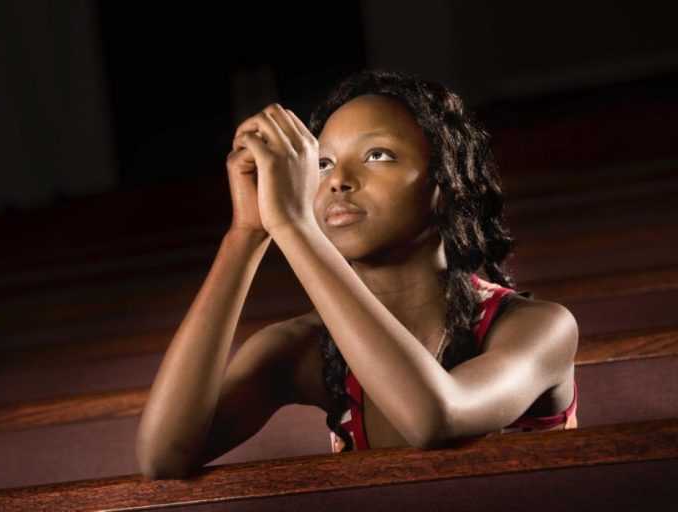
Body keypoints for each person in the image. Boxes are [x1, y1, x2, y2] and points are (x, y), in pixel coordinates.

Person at [134, 68, 579, 479]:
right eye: (322, 164)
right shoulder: (304, 348)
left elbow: (433, 419)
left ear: (443, 186)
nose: (337, 181)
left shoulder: (539, 329)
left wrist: (294, 226)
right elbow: (164, 457)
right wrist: (246, 232)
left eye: (377, 155)